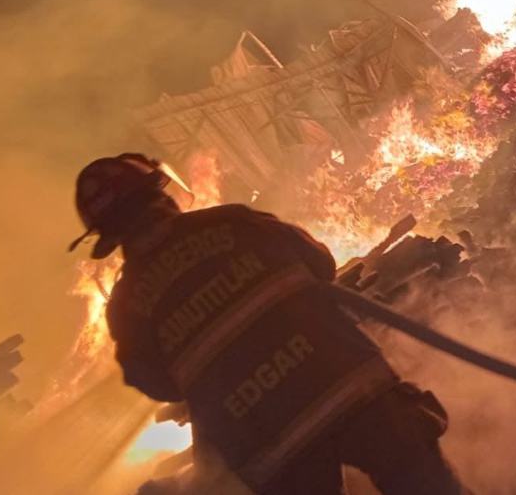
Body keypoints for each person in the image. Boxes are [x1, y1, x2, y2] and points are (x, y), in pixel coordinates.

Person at [68, 153, 469, 494]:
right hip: (351, 391)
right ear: (159, 192)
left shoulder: (126, 310)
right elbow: (320, 264)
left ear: (109, 235)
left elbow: (158, 384)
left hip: (269, 444)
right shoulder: (236, 224)